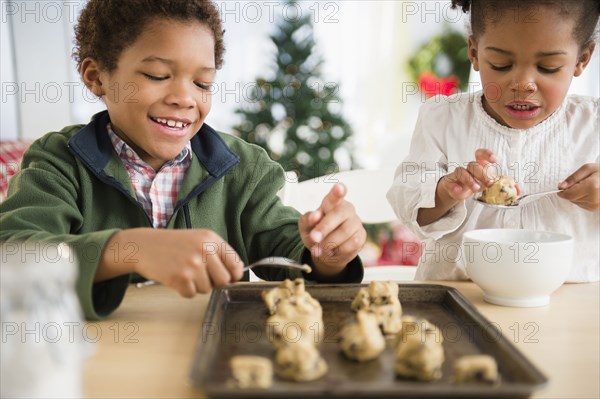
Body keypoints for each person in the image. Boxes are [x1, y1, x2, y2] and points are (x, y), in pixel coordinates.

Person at [0, 0, 367, 320]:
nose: (184, 97)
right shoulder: (58, 161)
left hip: (210, 356)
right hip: (97, 364)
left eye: (203, 83)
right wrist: (133, 248)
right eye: (158, 75)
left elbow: (289, 249)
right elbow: (13, 254)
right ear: (97, 77)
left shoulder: (243, 169)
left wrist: (327, 256)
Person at [387, 0, 599, 282]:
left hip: (567, 302)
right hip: (460, 297)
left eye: (548, 67)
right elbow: (412, 208)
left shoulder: (592, 123)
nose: (523, 83)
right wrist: (446, 192)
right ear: (474, 53)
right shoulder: (443, 118)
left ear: (581, 59)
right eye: (501, 65)